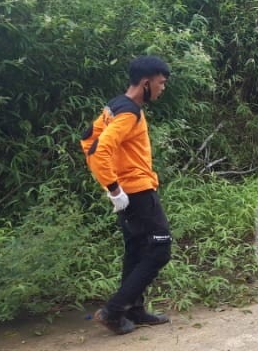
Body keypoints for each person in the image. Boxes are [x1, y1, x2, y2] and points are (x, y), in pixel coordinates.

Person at [83, 56, 173, 335]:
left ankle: (134, 310)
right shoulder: (127, 113)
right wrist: (114, 188)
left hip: (130, 193)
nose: (162, 89)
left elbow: (87, 140)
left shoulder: (116, 104)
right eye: (160, 83)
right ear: (146, 82)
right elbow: (99, 150)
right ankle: (114, 311)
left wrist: (114, 187)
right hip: (137, 193)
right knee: (160, 249)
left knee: (136, 249)